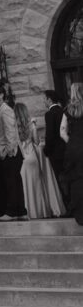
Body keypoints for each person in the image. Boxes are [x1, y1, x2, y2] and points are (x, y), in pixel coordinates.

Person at [15, 102, 64, 218]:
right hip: (32, 158)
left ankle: (27, 212)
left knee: (24, 187)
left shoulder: (13, 127)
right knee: (36, 187)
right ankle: (39, 212)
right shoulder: (31, 125)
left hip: (21, 160)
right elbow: (37, 142)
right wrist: (34, 127)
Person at [0, 84, 27, 221]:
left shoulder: (5, 110)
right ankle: (21, 212)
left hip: (11, 152)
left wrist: (9, 151)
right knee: (16, 182)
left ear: (1, 95)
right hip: (12, 152)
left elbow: (10, 132)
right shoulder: (0, 109)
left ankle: (12, 212)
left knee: (11, 183)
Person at [61, 83, 83, 224]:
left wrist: (72, 143)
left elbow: (62, 132)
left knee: (76, 180)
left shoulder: (68, 110)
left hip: (73, 149)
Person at [43, 89, 67, 197]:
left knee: (60, 179)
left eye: (44, 99)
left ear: (49, 100)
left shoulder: (49, 114)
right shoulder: (63, 111)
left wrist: (46, 151)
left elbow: (50, 135)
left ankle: (66, 202)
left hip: (56, 152)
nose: (43, 101)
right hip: (66, 149)